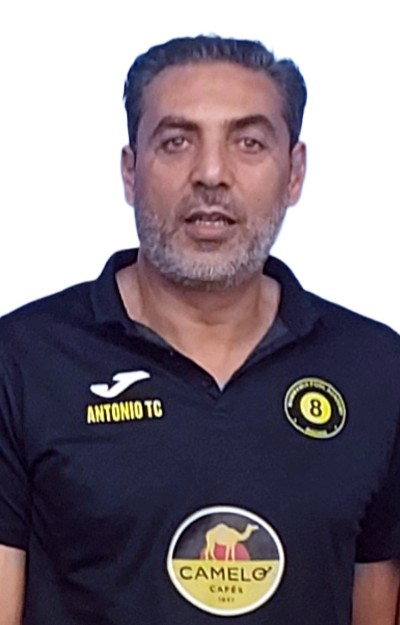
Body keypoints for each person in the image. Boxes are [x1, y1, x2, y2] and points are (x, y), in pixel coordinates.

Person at [0, 35, 399, 625]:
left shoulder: (377, 369)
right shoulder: (22, 362)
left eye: (249, 143)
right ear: (130, 172)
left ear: (295, 173)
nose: (211, 173)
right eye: (177, 142)